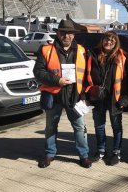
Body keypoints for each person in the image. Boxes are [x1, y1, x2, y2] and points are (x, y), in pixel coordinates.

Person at [33, 19, 92, 169]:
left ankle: (84, 155)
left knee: (80, 127)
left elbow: (86, 74)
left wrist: (85, 94)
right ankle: (49, 154)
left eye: (70, 33)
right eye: (63, 32)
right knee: (51, 127)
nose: (67, 36)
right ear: (58, 33)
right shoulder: (46, 50)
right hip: (54, 94)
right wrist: (57, 80)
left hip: (74, 95)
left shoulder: (82, 50)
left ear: (73, 34)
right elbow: (38, 72)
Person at [85, 31, 128, 165]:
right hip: (97, 97)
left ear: (116, 43)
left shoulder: (122, 57)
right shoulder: (92, 55)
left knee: (116, 126)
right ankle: (101, 150)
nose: (109, 42)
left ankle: (116, 152)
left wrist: (124, 99)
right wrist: (88, 93)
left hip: (115, 98)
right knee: (99, 125)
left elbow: (127, 81)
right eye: (106, 39)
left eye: (112, 40)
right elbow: (86, 76)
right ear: (102, 40)